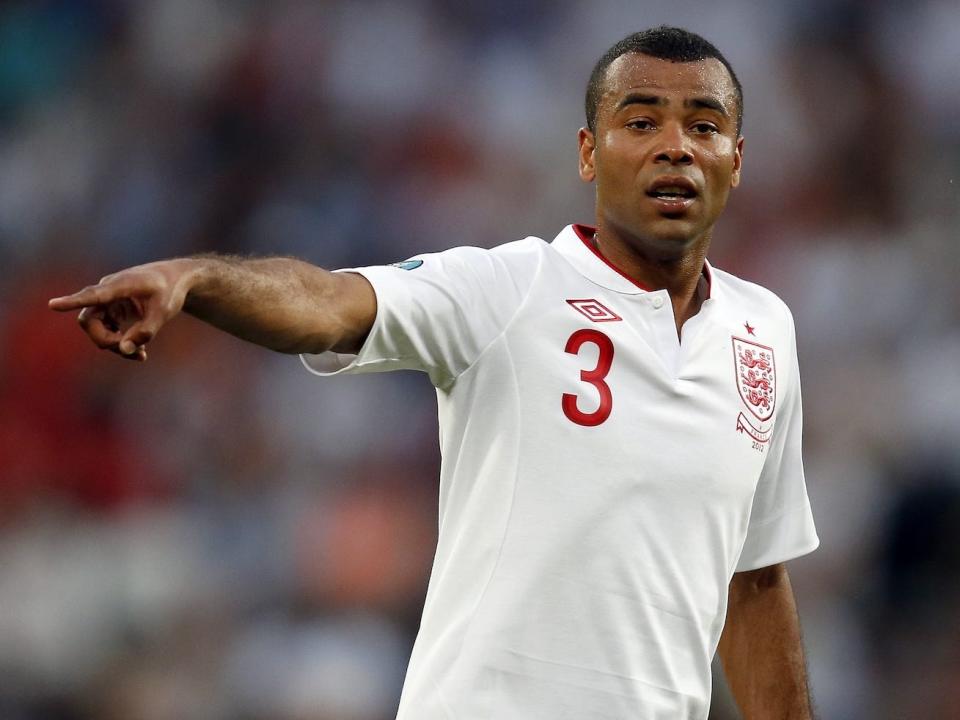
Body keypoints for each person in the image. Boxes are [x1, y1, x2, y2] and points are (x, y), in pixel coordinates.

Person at [50, 26, 818, 720]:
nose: (676, 147)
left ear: (738, 160)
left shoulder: (764, 332)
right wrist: (198, 279)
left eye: (705, 126)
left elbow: (753, 582)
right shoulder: (512, 288)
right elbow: (329, 302)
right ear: (589, 151)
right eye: (642, 121)